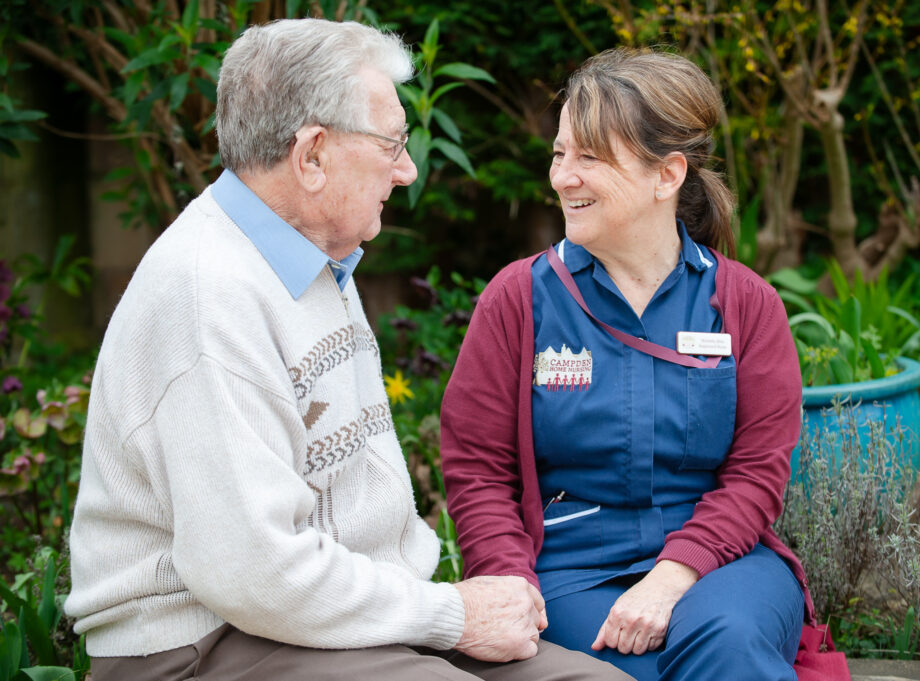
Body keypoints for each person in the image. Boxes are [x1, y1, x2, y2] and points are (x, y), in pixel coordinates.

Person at [64, 19, 633, 681]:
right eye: (393, 143)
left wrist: (434, 610)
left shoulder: (314, 257)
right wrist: (451, 613)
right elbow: (253, 571)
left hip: (340, 618)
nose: (408, 169)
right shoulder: (208, 295)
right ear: (312, 156)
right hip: (202, 643)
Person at [441, 48, 817, 681]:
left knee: (727, 644)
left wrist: (672, 578)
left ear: (666, 175)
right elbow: (478, 472)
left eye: (589, 157)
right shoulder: (518, 300)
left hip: (720, 566)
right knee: (616, 671)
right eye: (560, 155)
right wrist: (507, 583)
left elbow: (756, 474)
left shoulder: (746, 304)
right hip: (564, 575)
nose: (563, 177)